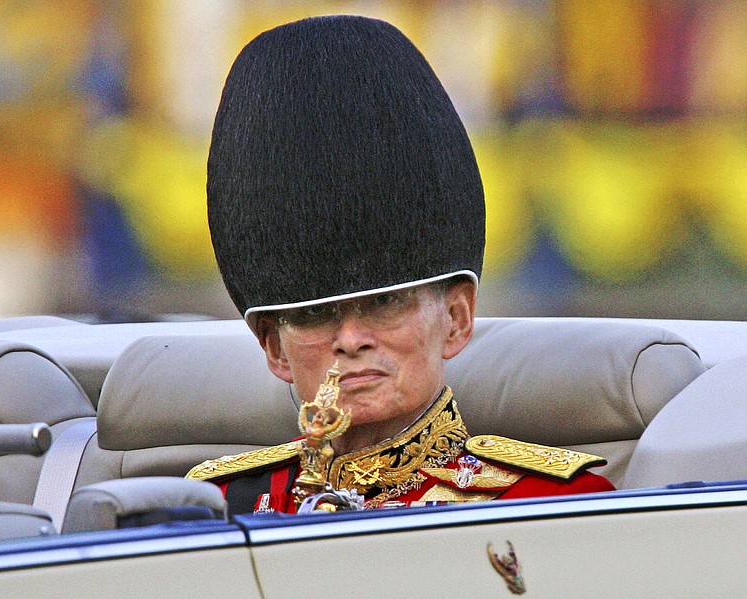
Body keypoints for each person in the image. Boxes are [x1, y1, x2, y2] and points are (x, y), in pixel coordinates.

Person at [187, 15, 614, 514]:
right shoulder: (213, 509)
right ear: (274, 348)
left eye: (384, 304)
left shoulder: (552, 505)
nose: (350, 339)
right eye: (313, 315)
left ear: (456, 319)